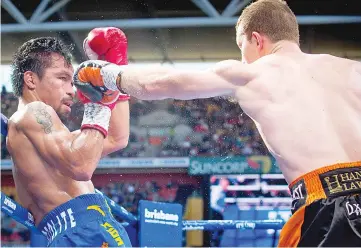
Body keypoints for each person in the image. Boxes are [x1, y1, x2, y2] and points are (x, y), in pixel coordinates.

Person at [73, 0, 361, 246]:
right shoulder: (351, 70)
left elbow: (161, 83)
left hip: (327, 207)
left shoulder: (253, 74)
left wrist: (107, 73)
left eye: (242, 47)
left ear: (256, 40)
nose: (243, 58)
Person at [6, 32, 132, 247]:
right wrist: (98, 103)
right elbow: (81, 165)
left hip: (97, 227)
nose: (72, 90)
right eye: (62, 78)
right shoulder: (32, 113)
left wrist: (112, 76)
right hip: (79, 231)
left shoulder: (51, 133)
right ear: (30, 79)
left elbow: (116, 137)